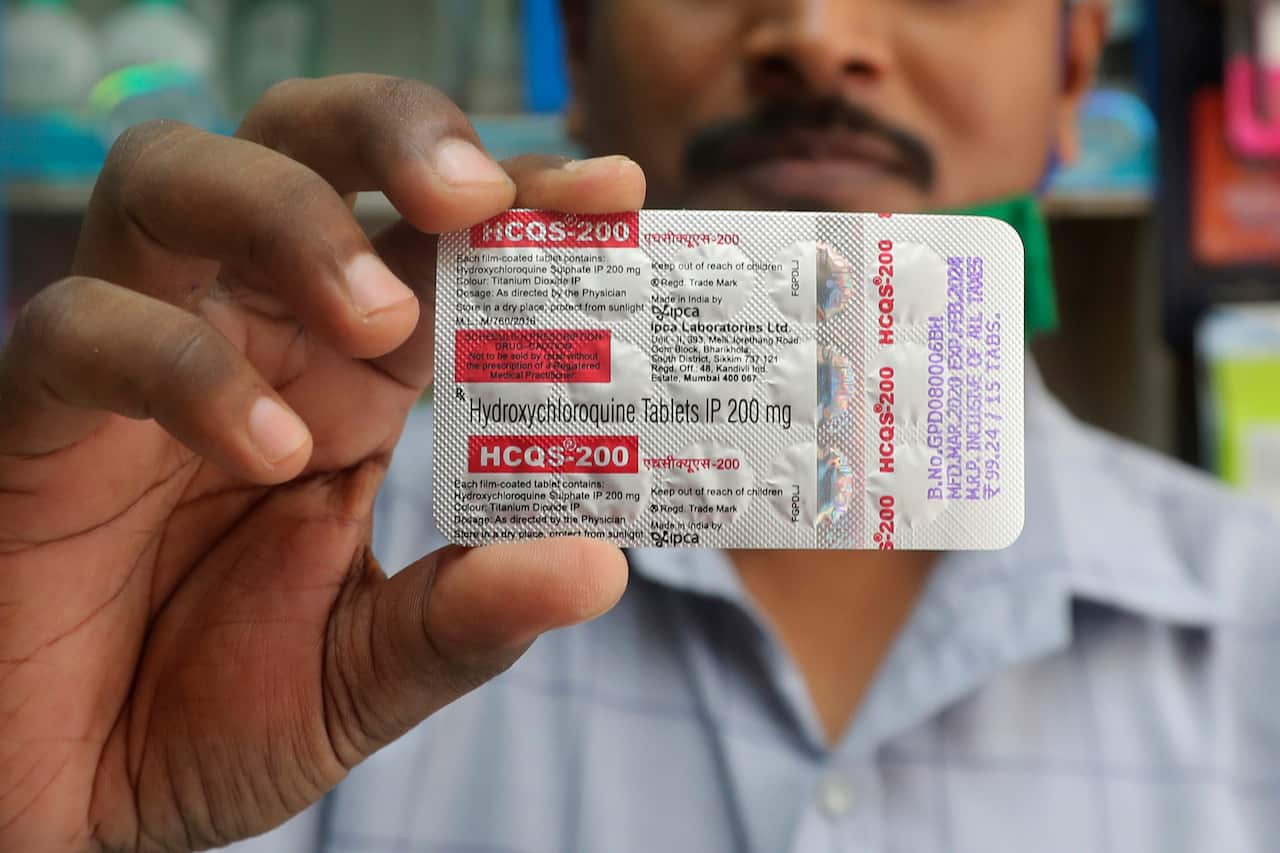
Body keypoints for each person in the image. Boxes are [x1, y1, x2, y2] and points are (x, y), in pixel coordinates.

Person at [1, 1, 1277, 850]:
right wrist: (52, 804)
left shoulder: (1258, 634)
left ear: (1069, 72)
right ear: (579, 53)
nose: (817, 35)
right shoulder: (264, 577)